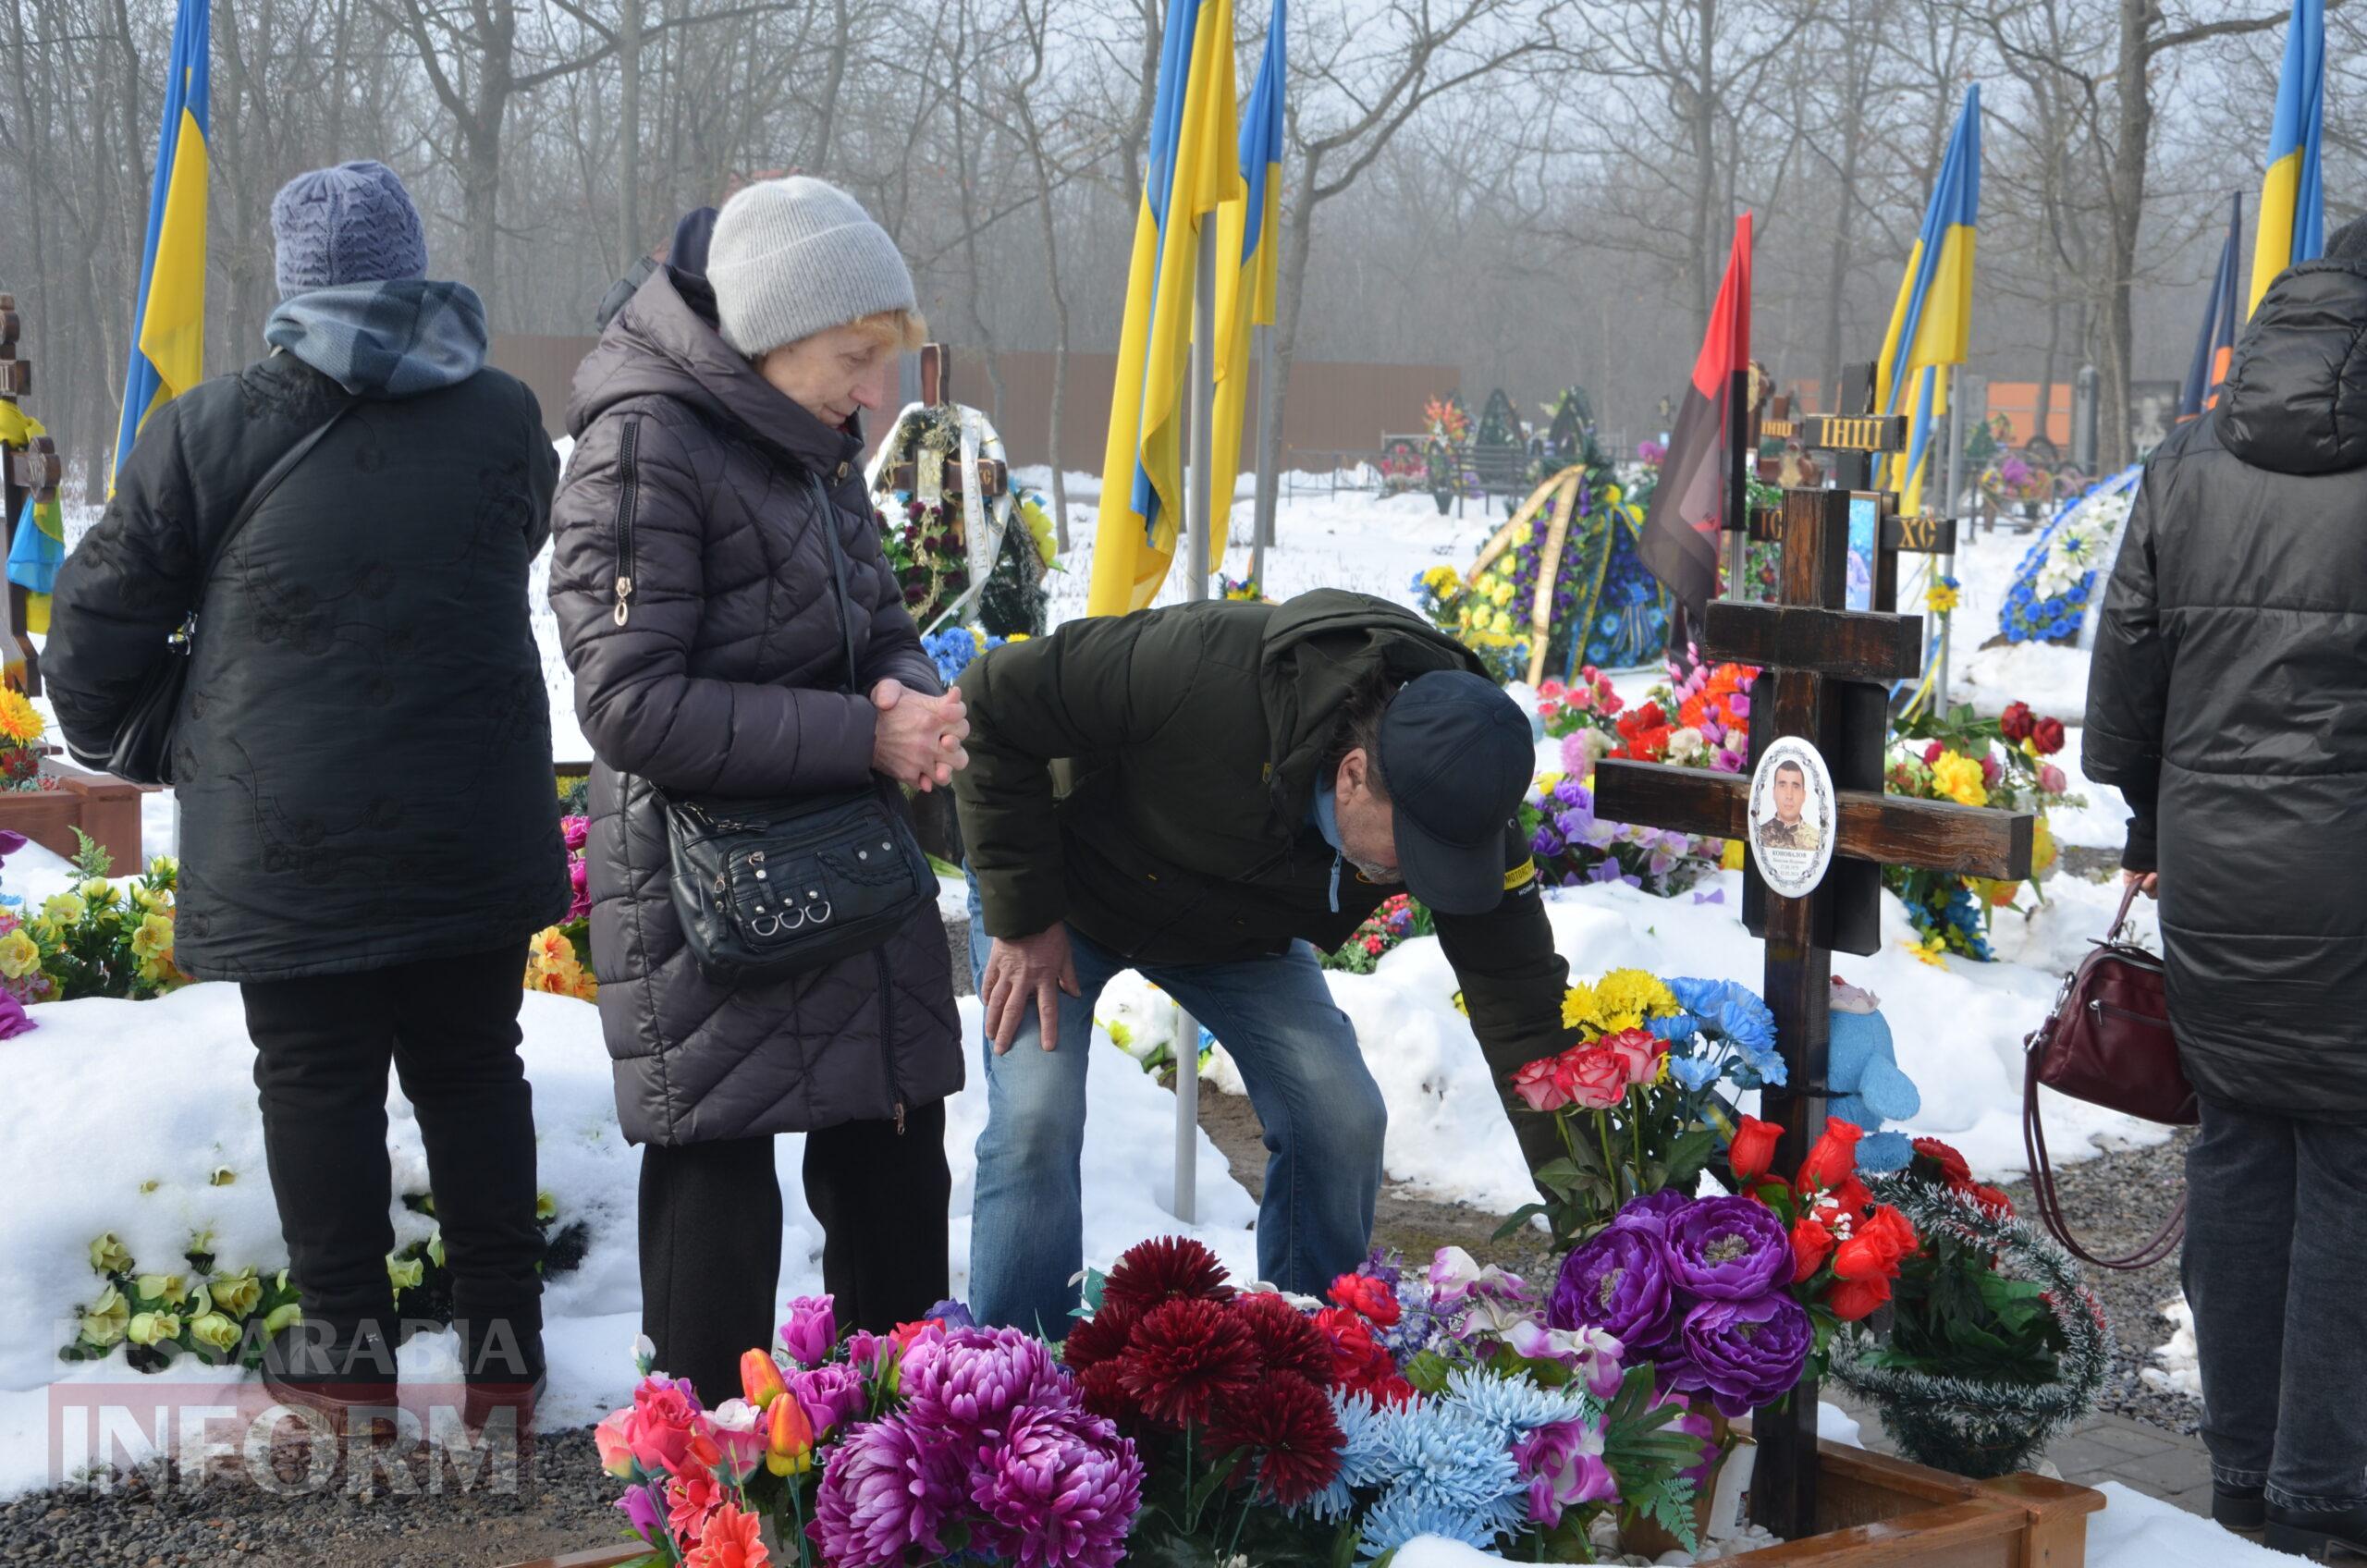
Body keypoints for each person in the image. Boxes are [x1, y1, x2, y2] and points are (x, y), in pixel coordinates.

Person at [46, 162, 565, 1416]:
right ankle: (504, 1352)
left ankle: (348, 1357)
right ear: (414, 271)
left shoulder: (207, 430)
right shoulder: (504, 415)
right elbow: (511, 543)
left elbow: (92, 636)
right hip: (471, 814)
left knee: (316, 1079)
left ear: (292, 286)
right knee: (475, 1067)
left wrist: (177, 734)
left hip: (285, 828)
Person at [549, 177, 968, 1406]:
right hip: (709, 898)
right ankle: (704, 1488)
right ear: (774, 330)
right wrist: (863, 736)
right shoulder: (641, 443)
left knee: (897, 1177)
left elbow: (881, 623)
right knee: (716, 1228)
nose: (877, 393)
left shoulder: (815, 443)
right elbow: (631, 706)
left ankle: (902, 1462)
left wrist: (909, 700)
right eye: (856, 357)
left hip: (846, 869)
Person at [953, 592, 1576, 1334]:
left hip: (1233, 931)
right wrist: (1024, 918)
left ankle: (1304, 1348)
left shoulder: (1462, 803)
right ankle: (1014, 1371)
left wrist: (1602, 1222)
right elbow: (989, 700)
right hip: (1062, 895)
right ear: (1352, 774)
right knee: (1035, 1117)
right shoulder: (1198, 670)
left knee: (1341, 1118)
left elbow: (1524, 1013)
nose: (1420, 877)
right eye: (1409, 855)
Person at [2086, 217, 2367, 1560]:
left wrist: (2150, 814)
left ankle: (2246, 1476)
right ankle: (2327, 1492)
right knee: (2352, 1170)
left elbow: (2126, 670)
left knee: (2243, 1146)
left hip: (2214, 862)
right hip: (2350, 873)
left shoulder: (2189, 457)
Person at [1759, 760, 1820, 852]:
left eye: (1795, 787)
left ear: (1804, 795)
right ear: (1774, 792)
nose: (1789, 796)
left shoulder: (1818, 840)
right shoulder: (1758, 835)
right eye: (1782, 786)